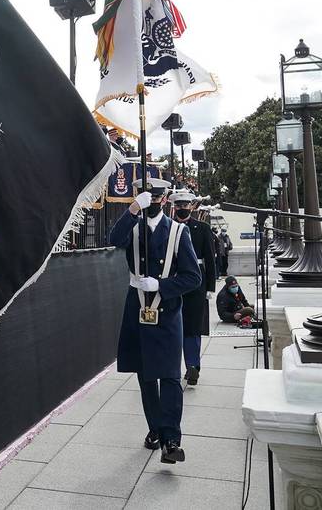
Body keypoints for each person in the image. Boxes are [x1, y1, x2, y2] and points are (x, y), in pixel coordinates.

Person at [109, 178, 202, 464]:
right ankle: (156, 430)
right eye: (144, 197)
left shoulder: (178, 231)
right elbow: (113, 239)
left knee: (171, 377)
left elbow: (192, 278)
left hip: (167, 311)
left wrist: (161, 285)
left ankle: (172, 438)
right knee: (146, 376)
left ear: (163, 200)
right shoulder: (133, 227)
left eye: (154, 198)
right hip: (138, 309)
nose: (151, 202)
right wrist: (133, 209)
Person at [170, 192, 216, 387]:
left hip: (196, 282)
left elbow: (210, 258)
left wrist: (210, 286)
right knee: (172, 326)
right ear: (174, 207)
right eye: (179, 205)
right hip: (172, 281)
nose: (183, 208)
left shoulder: (202, 228)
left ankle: (193, 367)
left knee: (193, 327)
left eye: (186, 205)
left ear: (191, 207)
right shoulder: (167, 227)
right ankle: (171, 368)